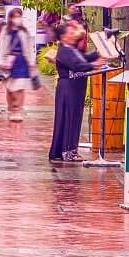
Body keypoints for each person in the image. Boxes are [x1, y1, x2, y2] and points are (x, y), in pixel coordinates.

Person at [49, 19, 96, 163]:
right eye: (70, 33)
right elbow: (77, 66)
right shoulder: (64, 50)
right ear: (63, 37)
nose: (73, 34)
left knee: (74, 118)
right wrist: (93, 64)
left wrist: (98, 54)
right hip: (68, 88)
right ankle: (67, 152)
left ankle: (70, 150)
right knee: (69, 118)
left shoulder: (71, 49)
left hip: (75, 88)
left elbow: (84, 58)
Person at [0, 4, 36, 122]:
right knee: (10, 88)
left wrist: (31, 61)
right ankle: (11, 109)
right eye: (15, 16)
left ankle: (17, 110)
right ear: (10, 18)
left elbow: (29, 47)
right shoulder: (6, 31)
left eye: (19, 16)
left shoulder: (24, 31)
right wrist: (0, 61)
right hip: (9, 62)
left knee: (20, 87)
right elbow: (1, 47)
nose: (17, 18)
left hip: (22, 61)